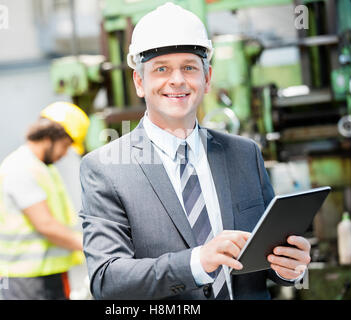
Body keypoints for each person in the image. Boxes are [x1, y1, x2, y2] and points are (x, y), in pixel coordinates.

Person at [79, 2, 311, 300]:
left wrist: (287, 266)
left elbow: (265, 258)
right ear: (139, 81)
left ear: (207, 78)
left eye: (189, 67)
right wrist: (197, 262)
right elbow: (107, 281)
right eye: (161, 69)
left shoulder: (244, 154)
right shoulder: (106, 168)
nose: (177, 80)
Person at [0, 101, 90, 300]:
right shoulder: (20, 167)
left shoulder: (44, 168)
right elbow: (45, 225)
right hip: (25, 278)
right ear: (52, 136)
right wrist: (92, 246)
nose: (64, 154)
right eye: (66, 145)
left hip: (45, 272)